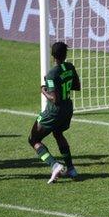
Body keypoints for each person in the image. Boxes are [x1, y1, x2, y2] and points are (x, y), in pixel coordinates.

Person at [28, 41, 81, 183]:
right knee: (58, 134)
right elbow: (77, 86)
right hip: (67, 109)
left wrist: (43, 90)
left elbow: (54, 99)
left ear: (53, 56)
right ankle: (71, 169)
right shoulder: (70, 67)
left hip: (54, 112)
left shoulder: (52, 74)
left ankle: (54, 165)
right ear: (65, 54)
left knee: (33, 139)